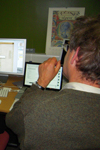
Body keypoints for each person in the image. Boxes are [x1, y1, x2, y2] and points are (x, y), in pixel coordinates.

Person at [6, 15, 100, 150]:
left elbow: (11, 120)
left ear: (76, 56)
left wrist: (41, 81)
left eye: (69, 49)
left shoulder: (39, 105)